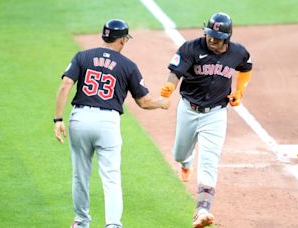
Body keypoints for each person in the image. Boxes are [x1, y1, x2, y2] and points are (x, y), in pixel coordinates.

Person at [53, 19, 170, 228]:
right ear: (123, 40)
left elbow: (65, 86)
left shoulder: (82, 56)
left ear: (104, 36)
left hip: (79, 119)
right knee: (111, 178)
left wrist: (58, 119)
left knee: (80, 176)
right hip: (107, 123)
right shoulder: (128, 66)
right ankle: (113, 225)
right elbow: (143, 102)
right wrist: (162, 103)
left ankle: (81, 223)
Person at [160, 12, 253, 228]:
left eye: (217, 37)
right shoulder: (191, 48)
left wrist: (239, 91)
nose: (211, 39)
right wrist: (168, 89)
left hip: (216, 114)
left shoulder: (238, 52)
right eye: (209, 35)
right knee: (179, 153)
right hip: (189, 109)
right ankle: (186, 162)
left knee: (209, 162)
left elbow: (246, 67)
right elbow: (175, 72)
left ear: (227, 37)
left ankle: (202, 210)